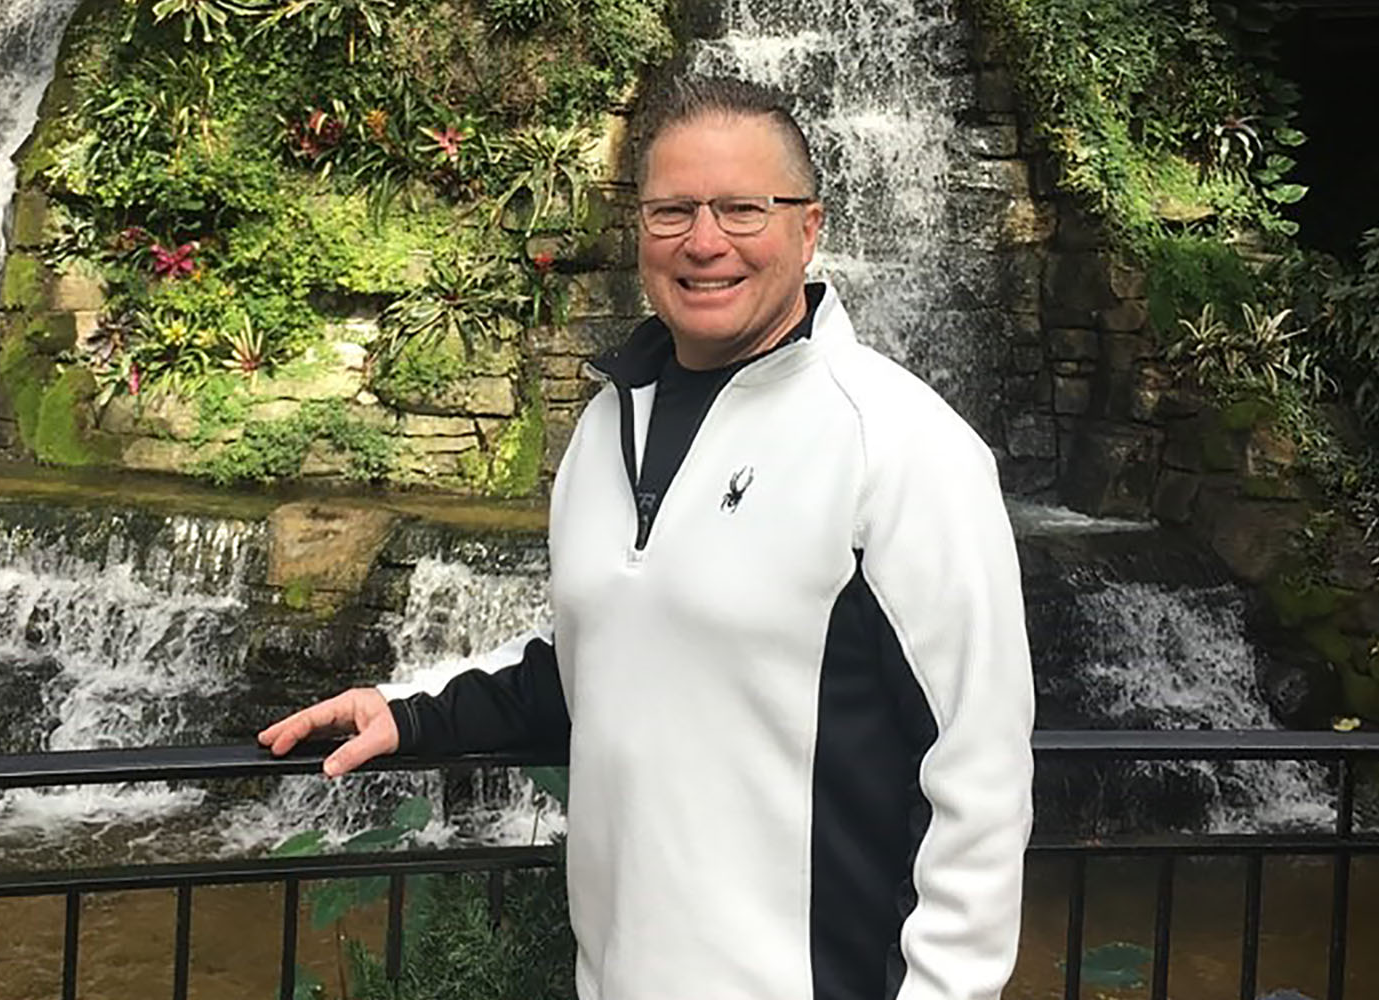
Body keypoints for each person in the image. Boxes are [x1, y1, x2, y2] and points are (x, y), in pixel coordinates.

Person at [260, 76, 1035, 1000]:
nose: (704, 242)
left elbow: (978, 768)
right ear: (640, 233)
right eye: (673, 211)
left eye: (743, 208)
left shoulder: (902, 444)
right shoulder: (603, 428)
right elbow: (607, 647)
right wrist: (414, 711)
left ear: (809, 228)